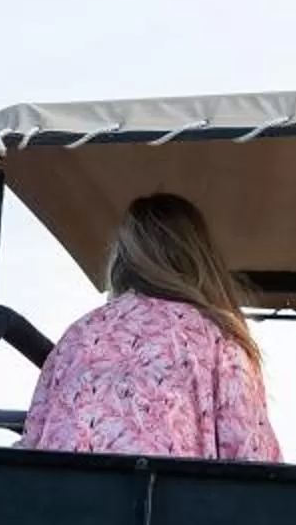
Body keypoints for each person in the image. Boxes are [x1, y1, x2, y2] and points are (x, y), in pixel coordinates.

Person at [22, 193, 282, 460]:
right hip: (170, 501)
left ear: (122, 258)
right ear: (199, 261)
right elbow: (254, 464)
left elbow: (32, 446)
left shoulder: (78, 336)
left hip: (63, 500)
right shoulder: (219, 342)